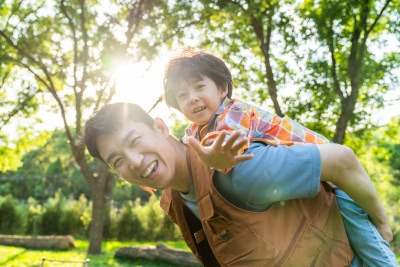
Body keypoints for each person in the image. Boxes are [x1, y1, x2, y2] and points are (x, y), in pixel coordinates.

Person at [84, 102, 398, 266]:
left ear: (161, 127)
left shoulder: (239, 171)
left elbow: (342, 160)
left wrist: (382, 224)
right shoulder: (174, 199)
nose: (135, 162)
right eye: (118, 161)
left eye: (135, 140)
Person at [163, 50, 398, 266]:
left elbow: (229, 143)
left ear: (223, 88)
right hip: (317, 179)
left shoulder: (234, 112)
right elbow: (187, 149)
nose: (192, 98)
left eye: (199, 87)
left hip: (337, 179)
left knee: (372, 247)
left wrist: (215, 158)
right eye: (182, 95)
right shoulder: (196, 129)